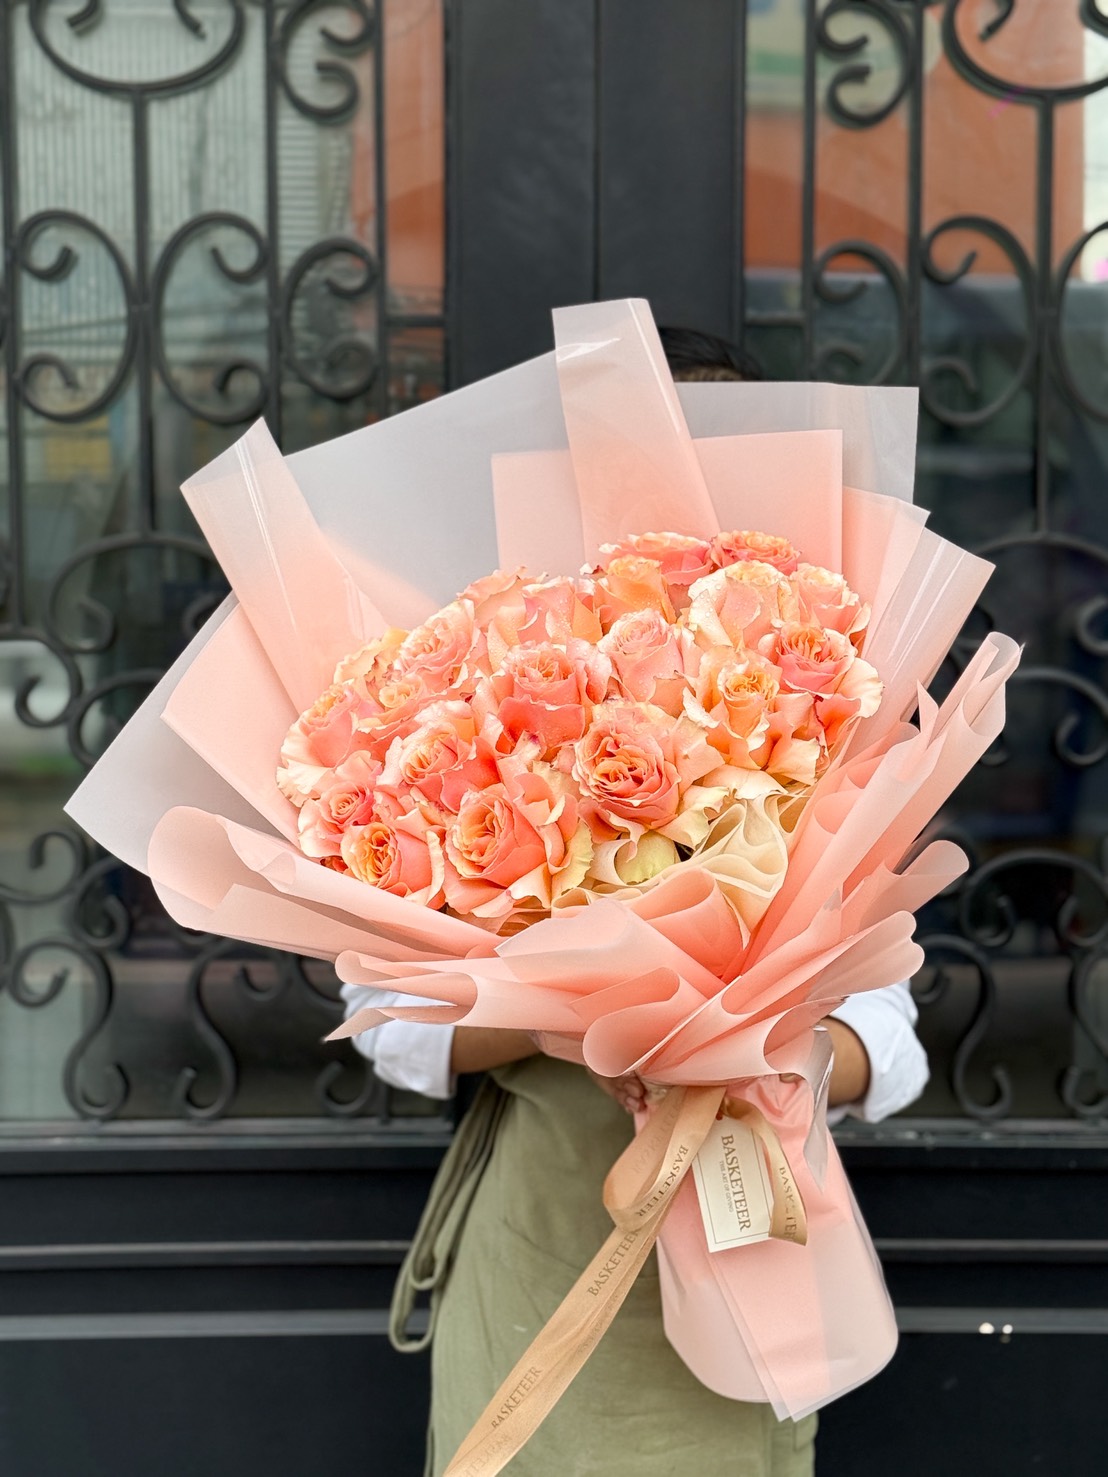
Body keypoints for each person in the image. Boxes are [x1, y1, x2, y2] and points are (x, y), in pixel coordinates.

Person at [343, 327, 930, 1477]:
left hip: (748, 1232)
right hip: (540, 1244)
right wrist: (592, 1012)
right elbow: (392, 1021)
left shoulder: (828, 720)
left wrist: (759, 1040)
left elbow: (891, 1043)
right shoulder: (481, 721)